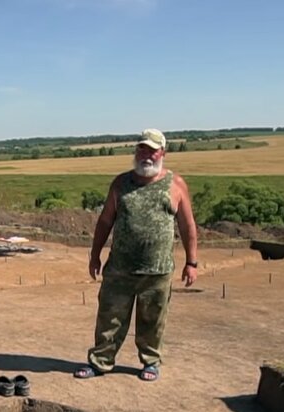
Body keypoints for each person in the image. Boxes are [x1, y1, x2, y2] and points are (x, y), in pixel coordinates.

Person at [74, 129, 198, 382]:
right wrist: (95, 255)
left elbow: (187, 226)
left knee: (152, 320)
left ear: (163, 152)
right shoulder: (120, 184)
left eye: (152, 150)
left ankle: (150, 362)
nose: (146, 155)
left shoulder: (176, 184)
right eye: (142, 149)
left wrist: (191, 262)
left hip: (157, 271)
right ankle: (101, 361)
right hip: (119, 269)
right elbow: (105, 221)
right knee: (110, 318)